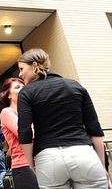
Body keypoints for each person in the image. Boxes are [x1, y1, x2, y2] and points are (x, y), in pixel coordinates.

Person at [17, 48, 107, 189]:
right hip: (83, 153)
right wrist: (102, 166)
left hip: (48, 158)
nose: (20, 74)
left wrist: (31, 164)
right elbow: (94, 128)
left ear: (34, 66)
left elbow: (25, 132)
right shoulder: (75, 85)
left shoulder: (26, 93)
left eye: (22, 69)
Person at [0, 77, 39, 189]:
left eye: (23, 86)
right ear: (8, 95)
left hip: (42, 162)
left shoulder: (31, 111)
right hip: (24, 166)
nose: (22, 89)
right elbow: (26, 134)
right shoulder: (6, 112)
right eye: (17, 87)